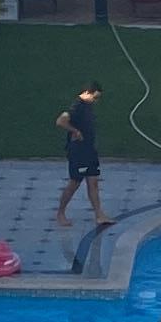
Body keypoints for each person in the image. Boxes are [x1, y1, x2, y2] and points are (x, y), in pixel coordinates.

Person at [53, 83, 109, 229]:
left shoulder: (87, 105)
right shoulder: (77, 107)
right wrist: (75, 131)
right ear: (86, 92)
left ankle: (99, 215)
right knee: (74, 183)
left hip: (90, 151)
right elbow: (61, 121)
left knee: (93, 182)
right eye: (94, 97)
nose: (95, 101)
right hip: (79, 152)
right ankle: (60, 213)